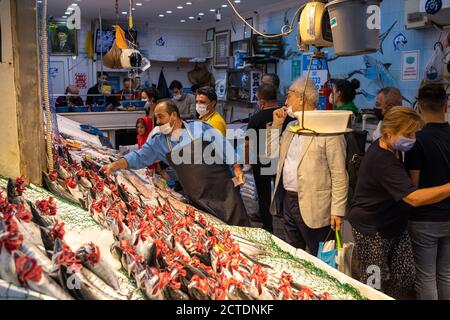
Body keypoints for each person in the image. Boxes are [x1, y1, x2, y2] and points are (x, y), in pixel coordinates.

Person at [348, 106, 450, 299]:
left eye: (414, 133)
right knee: (373, 282)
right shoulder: (382, 160)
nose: (413, 139)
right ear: (389, 131)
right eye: (408, 134)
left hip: (395, 225)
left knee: (406, 276)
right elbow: (414, 198)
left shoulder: (393, 147)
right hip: (372, 230)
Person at [102, 100, 251, 227]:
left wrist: (236, 167)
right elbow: (138, 157)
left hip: (224, 190)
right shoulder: (159, 142)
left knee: (240, 227)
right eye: (156, 118)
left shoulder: (199, 128)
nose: (158, 122)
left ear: (173, 115)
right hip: (199, 198)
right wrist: (114, 165)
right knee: (218, 234)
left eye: (161, 117)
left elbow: (223, 146)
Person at [266, 77, 348, 256]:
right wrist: (275, 126)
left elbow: (339, 174)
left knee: (324, 259)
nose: (286, 102)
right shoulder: (291, 127)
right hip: (289, 201)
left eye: (289, 97)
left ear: (302, 98)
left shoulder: (329, 130)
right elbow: (270, 156)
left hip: (317, 207)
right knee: (292, 254)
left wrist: (337, 211)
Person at [404, 85, 450, 300]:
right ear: (446, 105)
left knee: (426, 277)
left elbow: (414, 184)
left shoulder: (417, 140)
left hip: (425, 218)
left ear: (419, 107)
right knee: (447, 274)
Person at [246, 84, 290, 232]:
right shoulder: (287, 117)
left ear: (262, 101)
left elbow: (248, 144)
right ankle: (288, 223)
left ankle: (268, 225)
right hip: (283, 160)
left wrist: (247, 162)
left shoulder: (256, 118)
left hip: (262, 161)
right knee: (284, 192)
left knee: (264, 194)